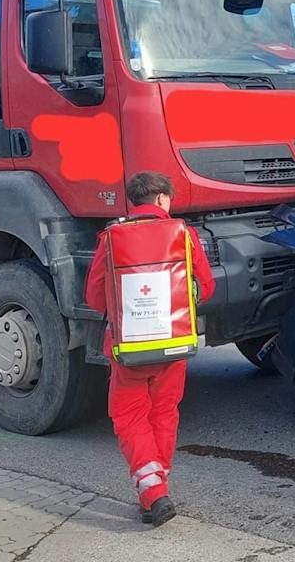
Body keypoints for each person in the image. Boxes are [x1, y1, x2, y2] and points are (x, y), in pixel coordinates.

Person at [83, 171, 215, 527]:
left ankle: (153, 491)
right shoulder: (184, 236)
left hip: (129, 350)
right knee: (164, 413)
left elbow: (94, 296)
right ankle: (157, 490)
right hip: (173, 346)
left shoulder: (112, 238)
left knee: (129, 416)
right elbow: (207, 286)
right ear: (160, 199)